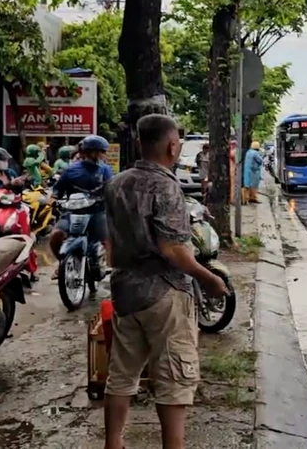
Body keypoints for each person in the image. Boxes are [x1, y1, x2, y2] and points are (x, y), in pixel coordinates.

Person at [102, 114, 228, 449]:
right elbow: (173, 250)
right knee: (174, 377)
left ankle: (112, 443)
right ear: (172, 145)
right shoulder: (166, 186)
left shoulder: (116, 183)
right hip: (164, 295)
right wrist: (209, 278)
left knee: (122, 374)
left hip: (125, 293)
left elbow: (110, 244)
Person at [48, 135, 114, 264]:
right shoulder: (70, 170)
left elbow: (111, 189)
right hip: (72, 212)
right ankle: (62, 264)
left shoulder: (105, 170)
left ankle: (110, 269)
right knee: (55, 235)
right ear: (92, 152)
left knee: (108, 241)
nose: (104, 155)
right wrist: (52, 200)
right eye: (102, 151)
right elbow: (58, 190)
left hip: (97, 212)